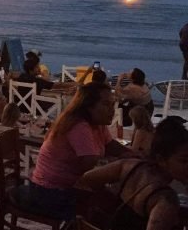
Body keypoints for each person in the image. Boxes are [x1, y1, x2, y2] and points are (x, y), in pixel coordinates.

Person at [21, 82, 133, 221]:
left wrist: (133, 155)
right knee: (108, 212)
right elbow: (90, 167)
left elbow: (110, 145)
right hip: (49, 191)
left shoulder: (97, 124)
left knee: (116, 205)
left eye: (112, 104)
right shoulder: (79, 126)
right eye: (106, 104)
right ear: (89, 107)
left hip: (66, 187)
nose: (112, 110)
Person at [78, 116, 188, 230]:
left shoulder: (130, 166)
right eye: (184, 160)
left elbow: (86, 179)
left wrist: (107, 197)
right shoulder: (166, 201)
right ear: (161, 159)